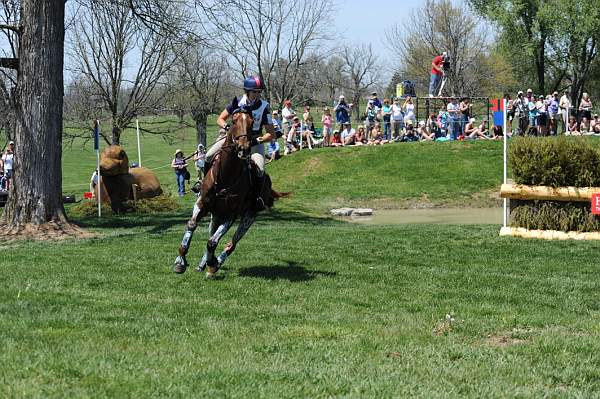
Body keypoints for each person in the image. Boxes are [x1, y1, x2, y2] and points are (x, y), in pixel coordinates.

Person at [212, 76, 275, 209]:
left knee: (260, 169)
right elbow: (220, 119)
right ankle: (204, 186)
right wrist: (228, 128)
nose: (257, 95)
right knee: (208, 156)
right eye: (254, 92)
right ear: (247, 91)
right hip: (235, 138)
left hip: (254, 143)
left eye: (259, 92)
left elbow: (271, 133)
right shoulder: (237, 102)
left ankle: (257, 198)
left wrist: (257, 140)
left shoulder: (264, 107)